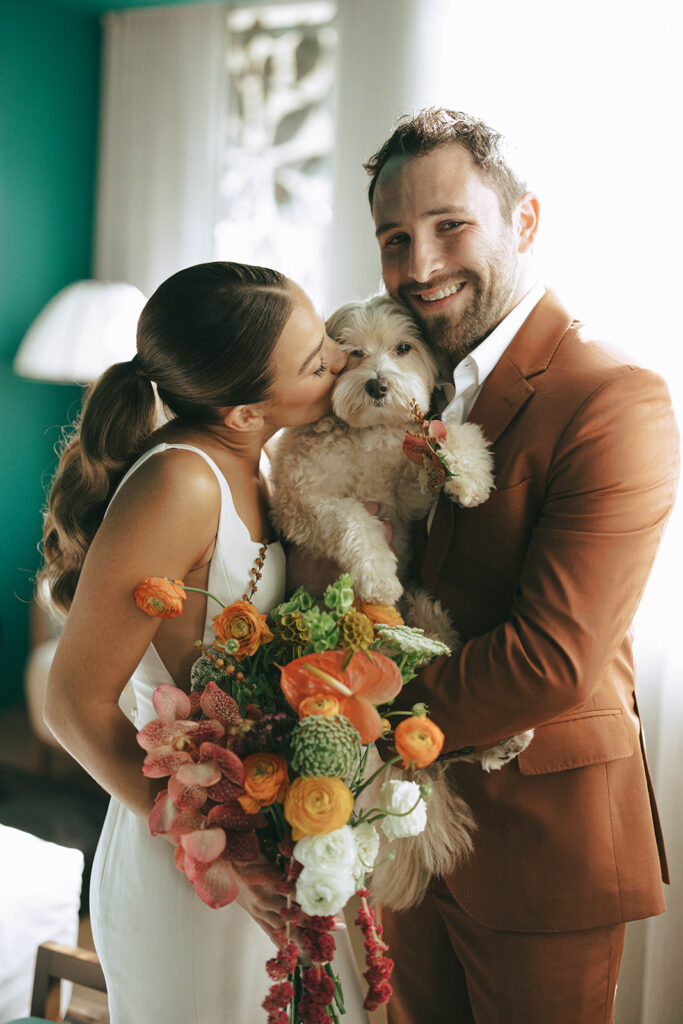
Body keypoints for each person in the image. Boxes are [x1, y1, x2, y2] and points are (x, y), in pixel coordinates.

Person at [361, 110, 679, 1022]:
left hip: (544, 850)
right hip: (409, 840)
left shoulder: (612, 398)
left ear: (524, 222)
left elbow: (551, 658)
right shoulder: (409, 383)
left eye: (449, 227)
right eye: (394, 238)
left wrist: (348, 717)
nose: (419, 266)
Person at [40, 262, 368, 1024]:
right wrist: (215, 845)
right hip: (190, 862)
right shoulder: (181, 484)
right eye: (317, 361)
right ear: (245, 410)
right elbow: (70, 703)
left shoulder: (255, 461)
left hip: (258, 834)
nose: (342, 362)